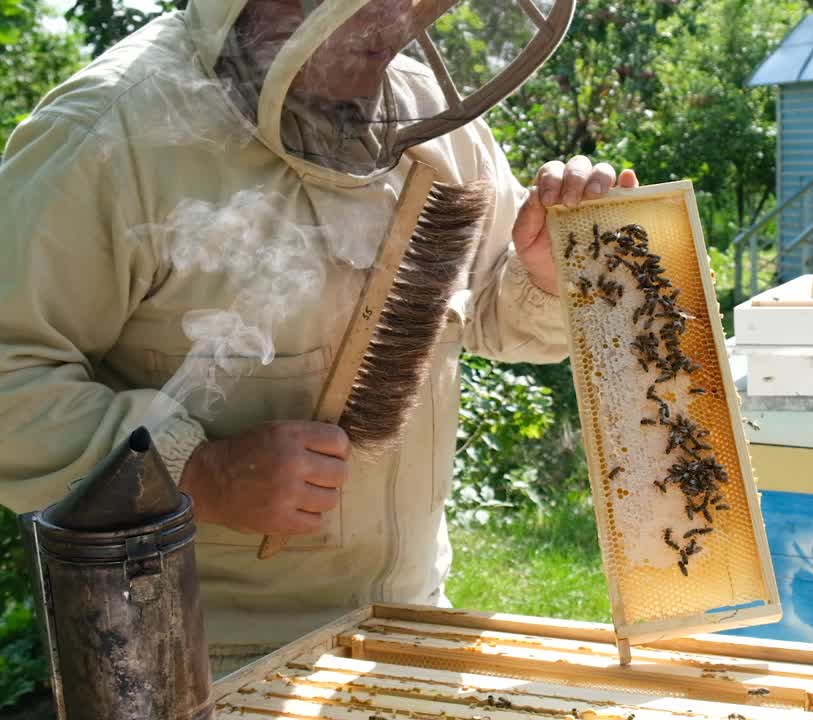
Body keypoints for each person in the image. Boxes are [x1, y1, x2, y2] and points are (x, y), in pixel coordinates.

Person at [0, 0, 634, 675]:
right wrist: (198, 474)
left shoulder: (429, 114)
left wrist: (540, 274)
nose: (397, 25)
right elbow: (12, 378)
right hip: (196, 658)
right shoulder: (108, 130)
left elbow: (488, 316)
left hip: (414, 623)